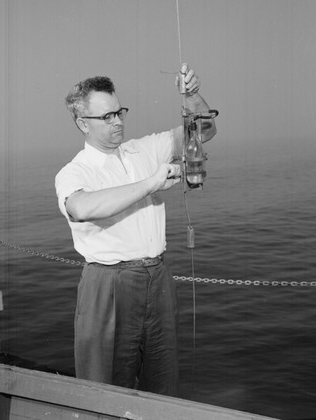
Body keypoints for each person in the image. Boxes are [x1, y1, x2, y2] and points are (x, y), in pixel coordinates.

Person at [55, 63, 217, 396]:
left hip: (157, 277)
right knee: (104, 388)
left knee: (162, 380)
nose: (118, 121)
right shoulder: (74, 172)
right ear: (82, 123)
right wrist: (151, 183)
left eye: (119, 112)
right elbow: (82, 208)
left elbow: (204, 130)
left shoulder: (144, 149)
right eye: (107, 117)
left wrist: (192, 95)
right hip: (108, 284)